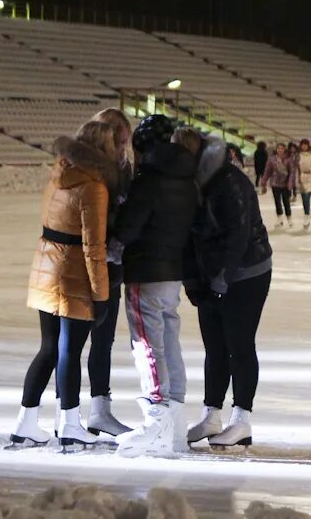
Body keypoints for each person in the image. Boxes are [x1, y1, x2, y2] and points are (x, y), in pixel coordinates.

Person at [11, 121, 118, 450]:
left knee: (48, 348)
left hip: (45, 266)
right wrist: (102, 294)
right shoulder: (94, 187)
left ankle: (25, 423)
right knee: (69, 350)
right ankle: (70, 423)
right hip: (72, 273)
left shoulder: (58, 175)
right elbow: (93, 248)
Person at [173, 128, 273, 448]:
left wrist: (222, 278)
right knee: (214, 346)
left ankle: (241, 419)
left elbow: (238, 236)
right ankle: (211, 414)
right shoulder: (186, 183)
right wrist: (192, 280)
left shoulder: (230, 181)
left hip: (247, 272)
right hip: (210, 272)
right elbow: (185, 237)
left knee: (239, 345)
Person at [109, 114, 198, 457]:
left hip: (145, 270)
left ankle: (156, 419)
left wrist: (115, 239)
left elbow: (130, 227)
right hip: (172, 271)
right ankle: (174, 418)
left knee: (147, 343)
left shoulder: (149, 179)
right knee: (169, 338)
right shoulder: (186, 178)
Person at [80, 108, 135, 438]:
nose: (126, 147)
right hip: (93, 264)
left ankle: (97, 409)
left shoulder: (120, 169)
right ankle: (74, 412)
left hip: (108, 265)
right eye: (123, 140)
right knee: (76, 342)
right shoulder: (97, 175)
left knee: (101, 340)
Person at [260, 143, 296, 228]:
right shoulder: (272, 159)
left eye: (282, 148)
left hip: (285, 184)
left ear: (284, 149)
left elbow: (292, 172)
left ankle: (289, 217)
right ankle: (279, 217)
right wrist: (263, 182)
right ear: (276, 149)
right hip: (275, 183)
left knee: (286, 201)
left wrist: (290, 184)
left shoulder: (289, 159)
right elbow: (267, 171)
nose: (280, 150)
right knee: (277, 201)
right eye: (278, 148)